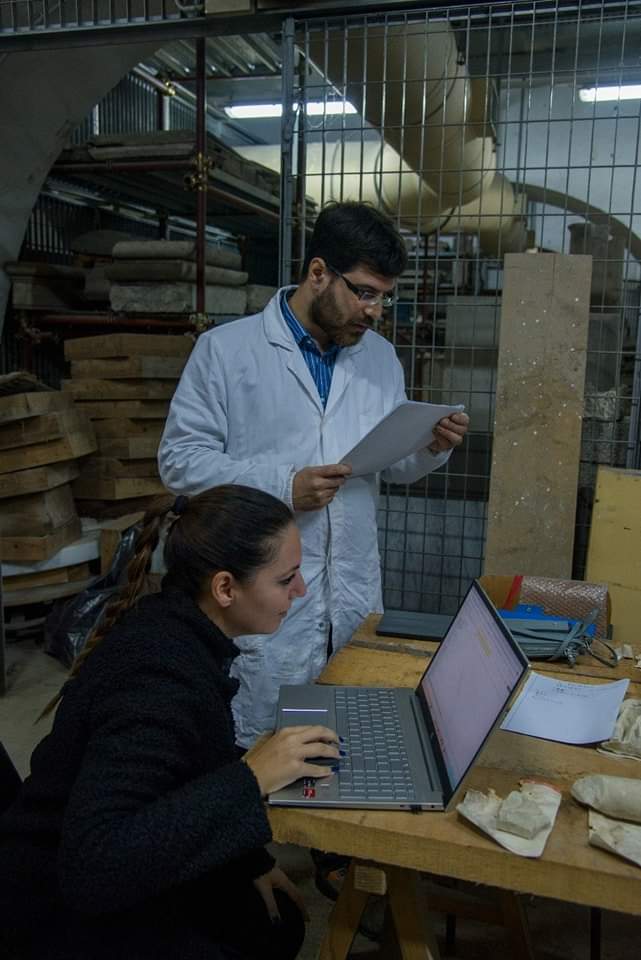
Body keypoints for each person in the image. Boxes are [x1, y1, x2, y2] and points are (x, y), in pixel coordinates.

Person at [158, 201, 469, 750]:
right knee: (256, 748)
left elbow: (392, 465)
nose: (375, 311)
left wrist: (429, 447)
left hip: (351, 587)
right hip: (264, 590)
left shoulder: (379, 358)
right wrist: (284, 486)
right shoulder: (227, 351)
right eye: (364, 292)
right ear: (318, 272)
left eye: (385, 296)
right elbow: (181, 461)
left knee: (342, 741)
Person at [0, 485, 341, 960]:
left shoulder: (182, 631)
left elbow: (187, 762)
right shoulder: (158, 678)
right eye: (286, 579)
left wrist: (248, 859)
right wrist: (251, 777)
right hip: (53, 904)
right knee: (258, 935)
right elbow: (94, 866)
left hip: (88, 868)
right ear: (225, 588)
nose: (300, 590)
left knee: (274, 923)